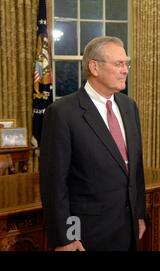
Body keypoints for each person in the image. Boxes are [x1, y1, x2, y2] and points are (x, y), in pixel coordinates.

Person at [39, 36, 146, 251]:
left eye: (127, 63)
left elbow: (135, 168)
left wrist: (140, 214)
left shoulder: (129, 106)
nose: (125, 70)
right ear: (94, 67)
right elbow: (54, 183)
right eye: (118, 64)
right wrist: (65, 237)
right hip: (87, 234)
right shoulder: (62, 113)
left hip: (128, 228)